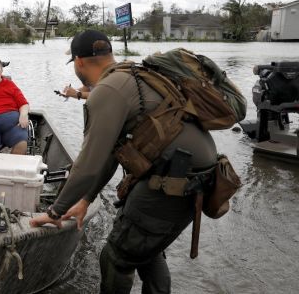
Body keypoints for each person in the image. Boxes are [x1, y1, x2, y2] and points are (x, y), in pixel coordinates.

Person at [30, 30, 218, 293]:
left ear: (79, 62)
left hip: (172, 183)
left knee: (116, 257)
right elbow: (109, 157)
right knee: (146, 251)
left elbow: (87, 165)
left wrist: (55, 211)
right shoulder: (134, 74)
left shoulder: (106, 91)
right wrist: (85, 200)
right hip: (198, 177)